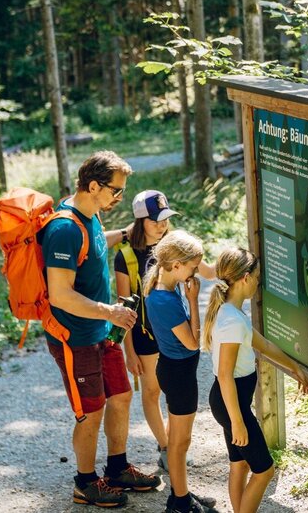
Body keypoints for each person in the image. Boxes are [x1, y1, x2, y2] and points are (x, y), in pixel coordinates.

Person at [42, 151, 159, 508]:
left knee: (121, 396)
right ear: (94, 186)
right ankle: (85, 482)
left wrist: (125, 233)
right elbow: (60, 295)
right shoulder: (62, 229)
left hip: (101, 331)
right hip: (74, 337)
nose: (119, 198)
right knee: (90, 411)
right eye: (116, 191)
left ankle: (118, 468)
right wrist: (110, 311)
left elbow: (92, 243)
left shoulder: (88, 215)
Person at [203, 248, 308, 513]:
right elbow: (226, 375)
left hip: (227, 401)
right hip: (232, 404)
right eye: (257, 277)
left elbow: (261, 344)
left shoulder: (231, 312)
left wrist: (294, 366)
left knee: (239, 465)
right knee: (264, 471)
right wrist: (238, 422)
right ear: (245, 278)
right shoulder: (231, 320)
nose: (258, 282)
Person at [114, 190, 214, 472]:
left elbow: (207, 271)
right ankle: (166, 447)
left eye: (165, 219)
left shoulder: (173, 245)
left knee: (171, 389)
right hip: (145, 338)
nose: (162, 226)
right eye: (156, 220)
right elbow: (125, 307)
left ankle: (174, 446)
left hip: (172, 333)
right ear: (140, 221)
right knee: (151, 391)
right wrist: (128, 352)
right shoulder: (126, 256)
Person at [143, 230, 216, 513]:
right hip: (179, 375)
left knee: (179, 439)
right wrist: (195, 300)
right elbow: (192, 341)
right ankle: (181, 502)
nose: (196, 271)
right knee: (180, 442)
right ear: (176, 265)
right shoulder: (164, 299)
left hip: (177, 371)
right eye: (193, 266)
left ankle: (180, 492)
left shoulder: (168, 286)